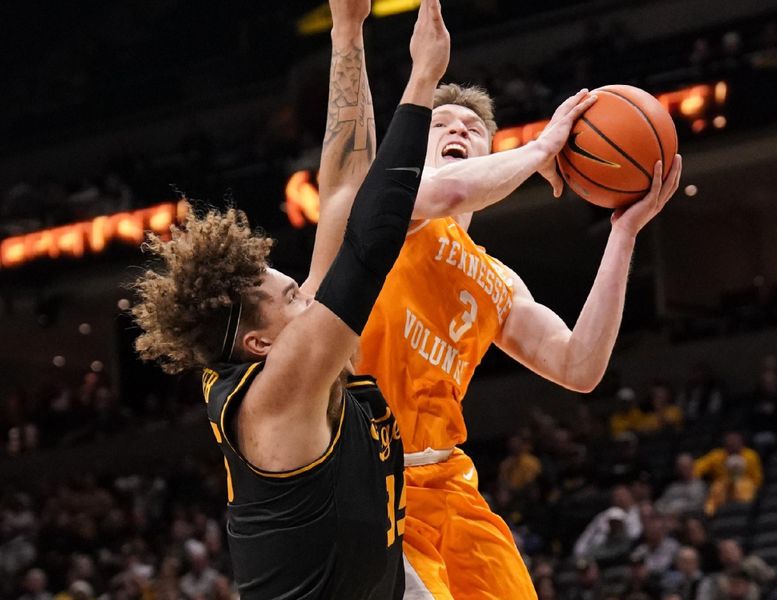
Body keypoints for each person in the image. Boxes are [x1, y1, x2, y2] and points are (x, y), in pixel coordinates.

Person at [311, 17, 683, 596]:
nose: (459, 128)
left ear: (489, 150)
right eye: (441, 124)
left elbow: (579, 366)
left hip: (451, 484)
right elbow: (451, 191)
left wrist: (623, 234)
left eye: (474, 129)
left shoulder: (498, 281)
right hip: (369, 477)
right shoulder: (391, 207)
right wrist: (540, 150)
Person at [130, 1, 450, 597]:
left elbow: (347, 194)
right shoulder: (277, 395)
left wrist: (348, 31)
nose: (313, 296)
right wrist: (422, 81)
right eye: (296, 296)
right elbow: (369, 244)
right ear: (260, 342)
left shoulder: (290, 363)